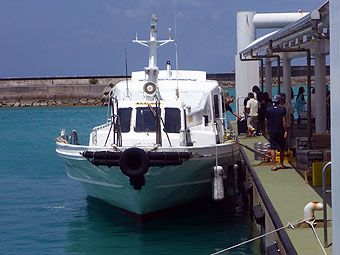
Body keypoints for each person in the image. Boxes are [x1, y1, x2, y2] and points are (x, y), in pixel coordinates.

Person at [265, 95, 288, 171]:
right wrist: (285, 130)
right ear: (279, 101)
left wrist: (267, 129)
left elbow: (266, 121)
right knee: (282, 148)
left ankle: (274, 165)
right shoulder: (282, 109)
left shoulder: (269, 109)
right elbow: (284, 120)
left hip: (272, 131)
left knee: (273, 148)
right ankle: (281, 164)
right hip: (280, 131)